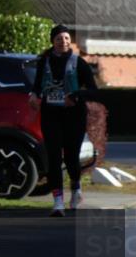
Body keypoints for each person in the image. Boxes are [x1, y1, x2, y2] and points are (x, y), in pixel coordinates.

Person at [27, 24, 98, 217]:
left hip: (74, 116)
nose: (63, 42)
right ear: (53, 41)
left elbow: (93, 90)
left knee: (71, 158)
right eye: (59, 38)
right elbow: (37, 85)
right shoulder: (44, 61)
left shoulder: (79, 63)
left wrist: (75, 96)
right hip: (51, 115)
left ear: (70, 41)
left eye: (66, 38)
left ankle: (76, 188)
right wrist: (33, 95)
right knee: (53, 158)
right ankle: (58, 202)